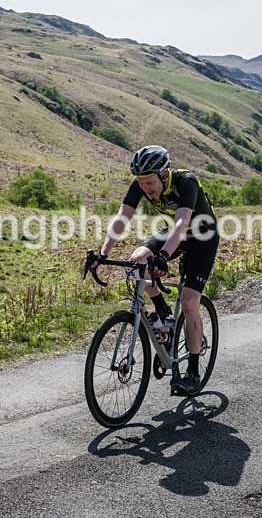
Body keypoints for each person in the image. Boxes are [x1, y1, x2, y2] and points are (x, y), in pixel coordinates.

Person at [91, 145, 219, 395]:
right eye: (141, 182)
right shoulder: (140, 184)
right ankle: (163, 313)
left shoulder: (186, 181)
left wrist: (163, 256)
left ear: (164, 174)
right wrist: (103, 253)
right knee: (137, 262)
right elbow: (122, 217)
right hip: (174, 233)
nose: (145, 188)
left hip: (203, 237)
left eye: (149, 182)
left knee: (189, 302)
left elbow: (182, 222)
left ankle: (193, 372)